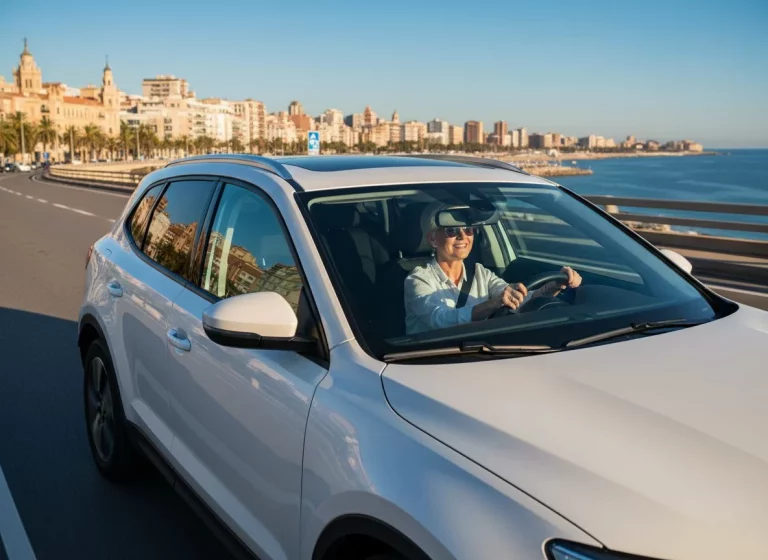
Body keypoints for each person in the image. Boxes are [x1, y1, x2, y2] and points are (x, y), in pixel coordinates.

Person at [404, 203, 582, 335]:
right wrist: (492, 304)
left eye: (469, 229)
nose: (462, 236)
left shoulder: (480, 272)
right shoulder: (418, 280)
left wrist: (549, 289)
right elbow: (440, 319)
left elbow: (515, 298)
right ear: (433, 239)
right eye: (451, 230)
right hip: (430, 358)